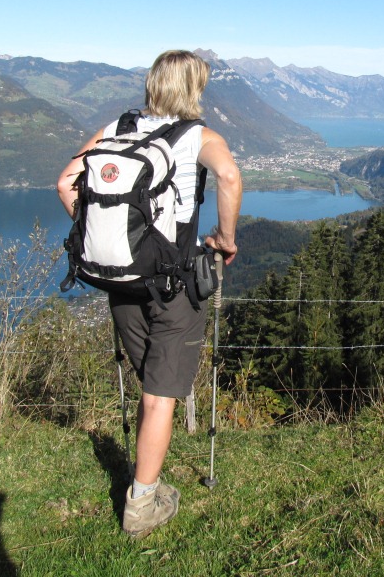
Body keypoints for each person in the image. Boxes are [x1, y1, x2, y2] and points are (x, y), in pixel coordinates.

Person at [56, 50, 242, 538]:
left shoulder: (116, 128)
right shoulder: (197, 136)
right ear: (194, 88)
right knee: (161, 396)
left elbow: (65, 183)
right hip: (175, 286)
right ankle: (141, 504)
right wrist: (225, 239)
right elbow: (228, 176)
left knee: (150, 385)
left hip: (121, 281)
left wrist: (101, 237)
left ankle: (144, 475)